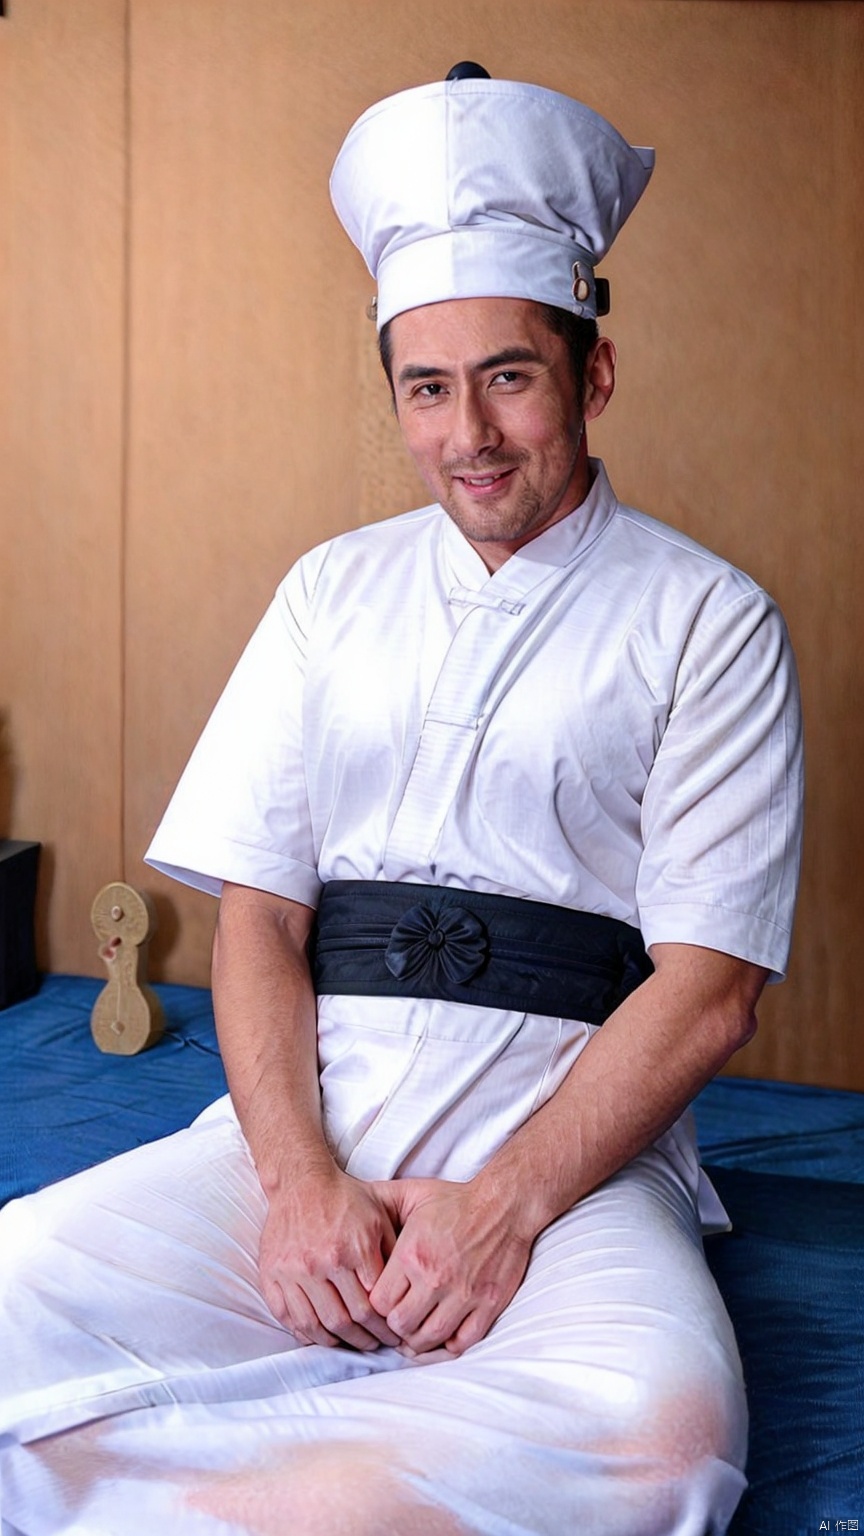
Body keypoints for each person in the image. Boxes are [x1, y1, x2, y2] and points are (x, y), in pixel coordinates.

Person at [0, 67, 803, 1536]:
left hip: (568, 1157)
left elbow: (708, 991)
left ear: (592, 374)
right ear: (396, 397)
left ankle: (144, 1502)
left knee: (664, 1441)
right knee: (7, 1293)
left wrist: (501, 1210)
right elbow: (259, 911)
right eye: (427, 389)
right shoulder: (330, 590)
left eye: (509, 375)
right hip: (314, 1116)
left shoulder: (711, 618)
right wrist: (300, 1185)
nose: (468, 435)